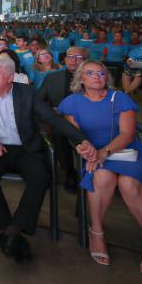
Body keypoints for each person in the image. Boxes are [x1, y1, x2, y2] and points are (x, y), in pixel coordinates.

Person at [0, 55, 96, 263]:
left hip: (25, 148)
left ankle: (12, 232)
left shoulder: (26, 93)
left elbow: (52, 118)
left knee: (41, 177)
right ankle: (11, 230)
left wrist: (81, 139)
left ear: (10, 77)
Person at [58, 60, 142, 278]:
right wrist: (87, 151)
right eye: (90, 73)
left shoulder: (120, 98)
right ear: (80, 79)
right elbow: (75, 135)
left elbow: (127, 134)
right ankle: (96, 231)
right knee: (102, 177)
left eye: (101, 73)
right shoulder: (71, 102)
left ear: (107, 77)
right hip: (94, 155)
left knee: (128, 183)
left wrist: (104, 152)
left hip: (127, 153)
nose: (97, 77)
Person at [36, 46, 87, 192]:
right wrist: (50, 112)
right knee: (58, 132)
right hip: (60, 121)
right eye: (70, 56)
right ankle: (69, 172)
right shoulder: (52, 78)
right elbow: (38, 101)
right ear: (65, 59)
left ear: (85, 60)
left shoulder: (92, 77)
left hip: (87, 120)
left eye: (78, 57)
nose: (74, 60)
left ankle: (91, 170)